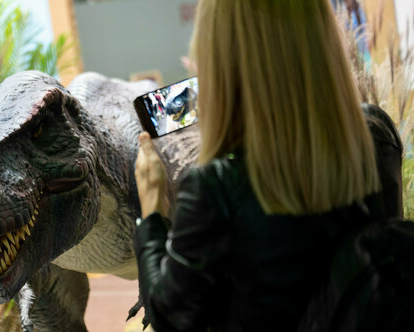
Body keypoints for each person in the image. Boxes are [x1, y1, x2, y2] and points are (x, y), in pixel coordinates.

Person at [132, 0, 402, 331]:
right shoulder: (376, 137)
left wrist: (151, 212)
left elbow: (169, 317)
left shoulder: (215, 189)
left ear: (219, 63)